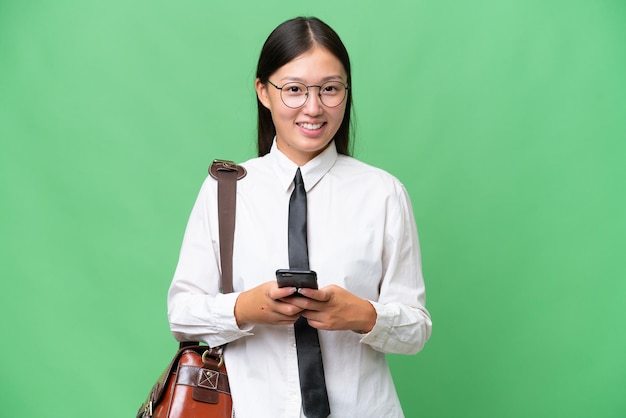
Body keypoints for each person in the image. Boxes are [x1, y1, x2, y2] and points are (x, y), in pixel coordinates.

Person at [167, 16, 432, 418]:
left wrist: (362, 315)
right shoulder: (226, 190)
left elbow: (416, 330)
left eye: (330, 89)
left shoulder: (383, 193)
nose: (313, 107)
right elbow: (181, 314)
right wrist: (243, 308)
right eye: (293, 90)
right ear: (263, 92)